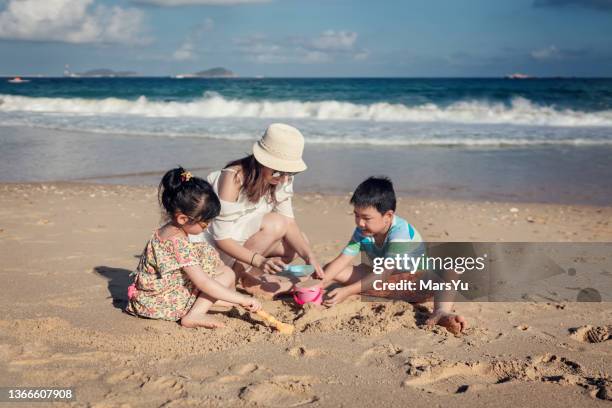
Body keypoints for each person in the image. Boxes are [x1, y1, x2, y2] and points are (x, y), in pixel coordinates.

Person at [320, 176, 468, 335]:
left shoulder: (400, 233)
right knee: (332, 269)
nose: (360, 223)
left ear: (388, 216)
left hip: (416, 285)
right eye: (356, 215)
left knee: (450, 269)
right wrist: (318, 285)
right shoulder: (362, 231)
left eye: (366, 218)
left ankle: (441, 311)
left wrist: (347, 291)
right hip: (384, 285)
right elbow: (343, 259)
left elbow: (383, 273)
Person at [196, 123, 324, 298]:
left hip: (244, 243)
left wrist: (310, 257)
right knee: (276, 224)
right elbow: (221, 238)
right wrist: (259, 260)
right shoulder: (233, 178)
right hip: (215, 248)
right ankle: (231, 280)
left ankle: (246, 277)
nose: (285, 178)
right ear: (262, 161)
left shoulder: (282, 176)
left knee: (298, 243)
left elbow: (290, 222)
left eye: (290, 172)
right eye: (279, 171)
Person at [125, 167, 261, 328]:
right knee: (224, 276)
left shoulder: (167, 230)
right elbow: (203, 282)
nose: (207, 227)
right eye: (205, 223)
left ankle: (218, 298)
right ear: (183, 218)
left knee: (207, 253)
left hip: (148, 297)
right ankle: (196, 314)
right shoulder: (178, 243)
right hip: (162, 304)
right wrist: (243, 299)